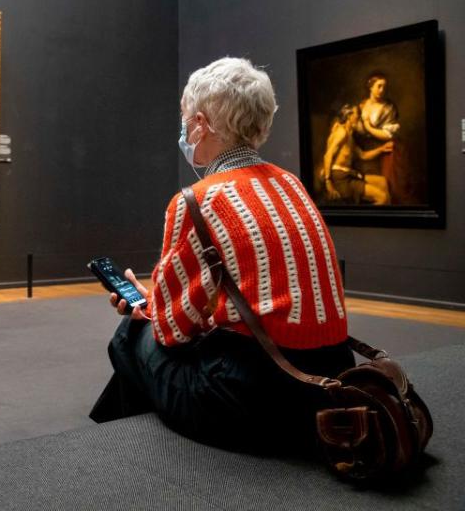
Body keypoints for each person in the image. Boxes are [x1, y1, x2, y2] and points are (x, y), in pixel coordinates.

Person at [90, 57, 354, 454]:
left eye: (185, 120)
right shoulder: (292, 185)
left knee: (131, 335)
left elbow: (171, 332)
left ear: (200, 124)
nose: (183, 130)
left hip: (255, 399)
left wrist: (148, 306)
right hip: (331, 383)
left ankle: (133, 456)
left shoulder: (198, 200)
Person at [321, 104, 392, 204]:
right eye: (357, 115)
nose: (359, 118)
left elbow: (363, 155)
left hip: (349, 174)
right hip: (341, 179)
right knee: (382, 198)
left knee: (382, 182)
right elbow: (328, 155)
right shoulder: (342, 132)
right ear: (349, 116)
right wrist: (328, 182)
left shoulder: (350, 136)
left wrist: (381, 149)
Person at [354, 73, 402, 203]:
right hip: (362, 153)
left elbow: (388, 134)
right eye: (379, 86)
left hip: (383, 153)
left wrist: (368, 127)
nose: (382, 90)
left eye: (384, 87)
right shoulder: (361, 106)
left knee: (385, 189)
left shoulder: (388, 108)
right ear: (370, 86)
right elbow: (353, 129)